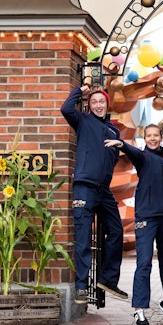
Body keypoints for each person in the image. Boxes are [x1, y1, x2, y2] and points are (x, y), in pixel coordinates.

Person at [105, 120, 163, 325]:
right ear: (145, 138)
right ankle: (139, 309)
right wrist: (121, 144)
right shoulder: (143, 157)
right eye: (149, 136)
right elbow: (132, 151)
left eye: (156, 135)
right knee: (145, 262)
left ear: (160, 137)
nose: (152, 138)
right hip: (146, 218)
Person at [60, 85, 128, 305]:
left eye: (102, 101)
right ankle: (81, 287)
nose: (99, 105)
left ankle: (107, 279)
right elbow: (66, 109)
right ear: (90, 105)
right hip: (84, 188)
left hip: (103, 190)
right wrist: (81, 90)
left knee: (116, 231)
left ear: (107, 104)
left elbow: (113, 159)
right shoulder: (82, 121)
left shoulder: (113, 132)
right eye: (95, 102)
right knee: (83, 239)